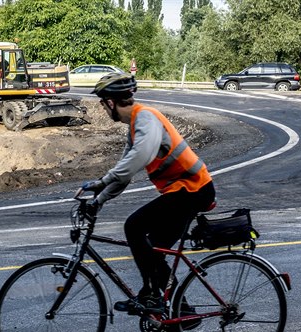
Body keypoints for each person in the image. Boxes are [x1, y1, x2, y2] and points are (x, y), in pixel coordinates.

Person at [81, 72, 215, 315]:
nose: (102, 109)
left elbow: (140, 156)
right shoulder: (134, 127)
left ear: (110, 102)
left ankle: (151, 295)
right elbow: (125, 173)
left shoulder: (146, 118)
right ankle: (181, 311)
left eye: (102, 104)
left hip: (193, 190)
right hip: (184, 191)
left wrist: (103, 180)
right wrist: (98, 199)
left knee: (134, 226)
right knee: (153, 250)